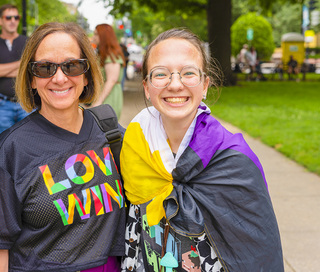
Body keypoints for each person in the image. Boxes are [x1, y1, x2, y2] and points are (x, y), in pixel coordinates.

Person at [0, 22, 126, 271]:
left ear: (86, 73)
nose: (60, 78)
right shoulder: (12, 150)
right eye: (45, 68)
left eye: (72, 66)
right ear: (31, 79)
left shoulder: (110, 133)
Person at [120, 28, 283, 271]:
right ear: (146, 87)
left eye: (188, 73)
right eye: (161, 74)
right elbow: (134, 228)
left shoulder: (235, 159)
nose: (175, 84)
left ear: (205, 85)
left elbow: (258, 249)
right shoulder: (135, 146)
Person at [0, 4, 28, 138]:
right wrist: (22, 63)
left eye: (16, 17)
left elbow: (30, 70)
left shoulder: (29, 42)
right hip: (1, 104)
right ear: (0, 21)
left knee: (29, 144)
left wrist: (1, 69)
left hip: (26, 103)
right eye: (8, 17)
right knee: (4, 145)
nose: (13, 21)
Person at [91, 24, 125, 118]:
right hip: (105, 95)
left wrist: (99, 101)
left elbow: (111, 80)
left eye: (96, 34)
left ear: (104, 36)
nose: (93, 37)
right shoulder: (104, 54)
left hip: (109, 97)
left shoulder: (111, 55)